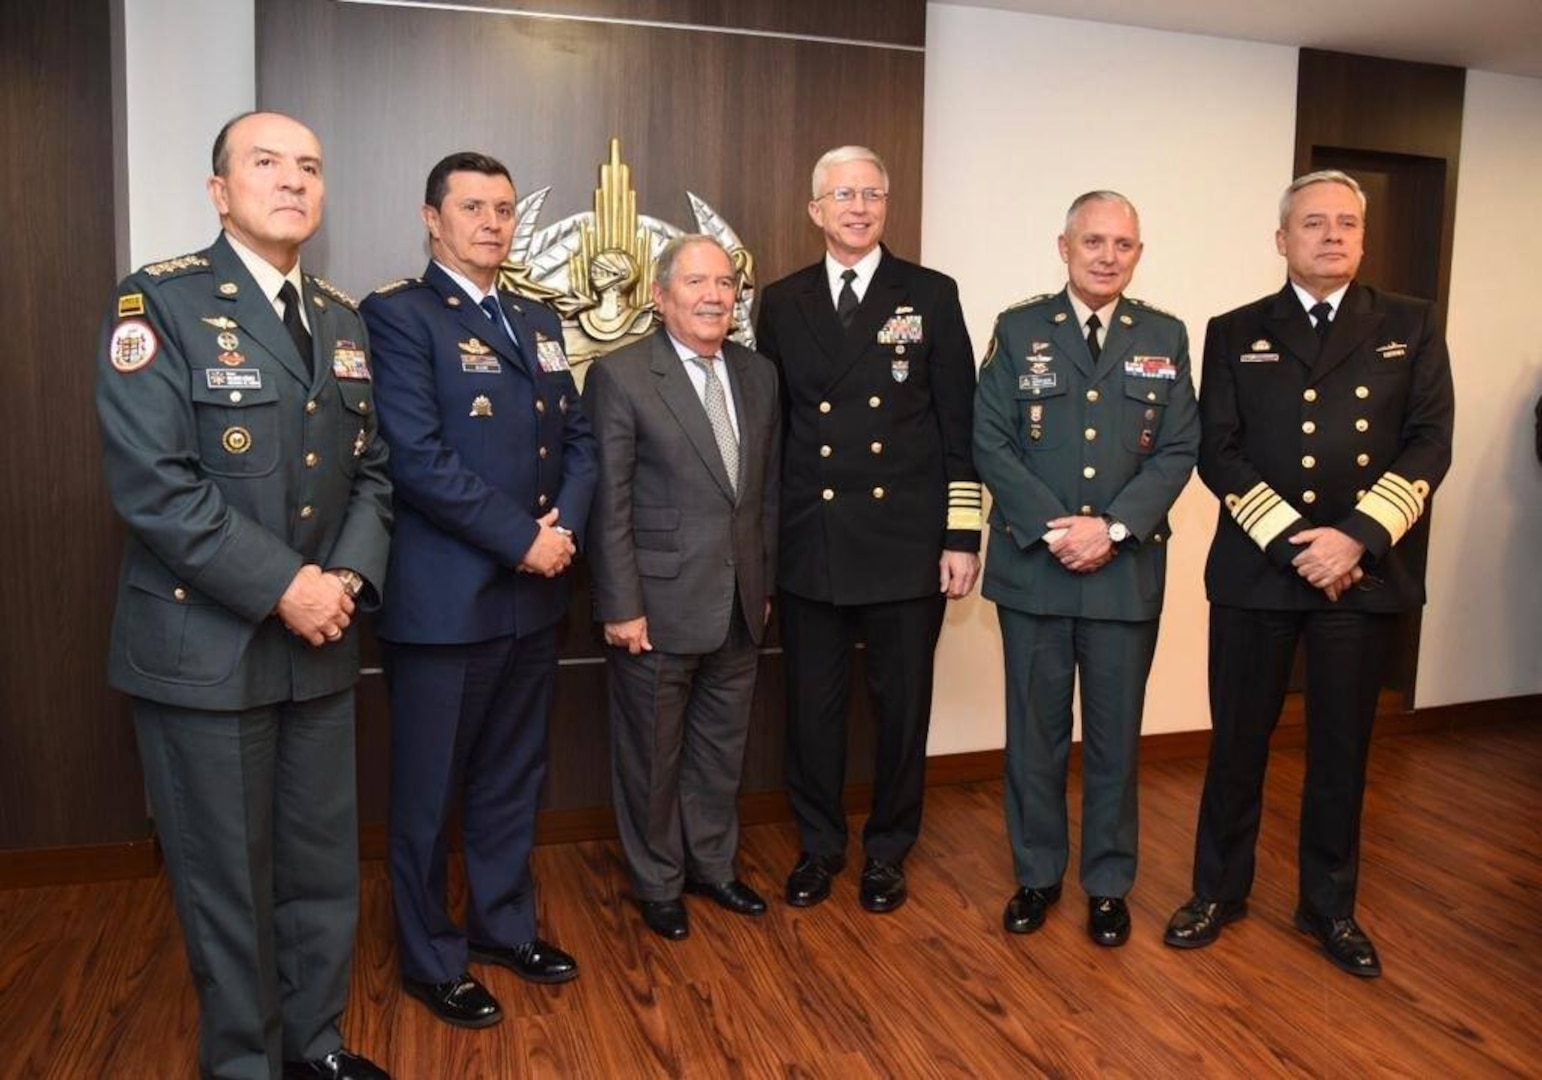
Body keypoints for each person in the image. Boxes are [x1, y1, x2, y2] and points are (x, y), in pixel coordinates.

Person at [95, 111, 392, 1080]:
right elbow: (155, 484)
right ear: (219, 191)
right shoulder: (159, 304)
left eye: (311, 164)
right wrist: (286, 588)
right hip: (208, 653)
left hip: (321, 647)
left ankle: (314, 1047)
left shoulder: (342, 318)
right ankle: (245, 1066)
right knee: (228, 888)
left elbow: (373, 473)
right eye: (266, 163)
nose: (294, 180)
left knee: (317, 875)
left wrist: (341, 580)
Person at [1165, 169, 1454, 977]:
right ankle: (1218, 891)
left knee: (1341, 750)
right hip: (1263, 570)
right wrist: (1302, 544)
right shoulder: (1235, 329)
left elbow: (1430, 440)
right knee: (1238, 744)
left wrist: (1355, 539)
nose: (1332, 235)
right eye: (1314, 223)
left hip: (1359, 575)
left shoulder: (1411, 324)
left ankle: (1329, 907)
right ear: (1282, 238)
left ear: (1363, 238)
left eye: (1346, 224)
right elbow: (1216, 450)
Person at [360, 152, 596, 1026]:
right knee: (426, 793)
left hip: (535, 595)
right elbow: (416, 459)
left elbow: (579, 443)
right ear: (433, 217)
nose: (492, 221)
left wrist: (559, 532)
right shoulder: (398, 315)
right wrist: (522, 541)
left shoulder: (538, 318)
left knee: (509, 779)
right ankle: (430, 958)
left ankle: (504, 926)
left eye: (503, 207)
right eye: (472, 207)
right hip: (445, 604)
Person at [755, 146, 981, 914]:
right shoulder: (780, 303)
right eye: (842, 194)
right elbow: (773, 432)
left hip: (905, 543)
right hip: (811, 540)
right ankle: (819, 846)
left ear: (888, 206)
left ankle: (889, 848)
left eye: (872, 194)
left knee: (902, 708)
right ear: (815, 210)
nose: (858, 206)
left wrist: (962, 538)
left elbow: (960, 427)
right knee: (810, 712)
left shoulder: (931, 293)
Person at [974, 192, 1199, 946]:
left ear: (1139, 253)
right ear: (1062, 245)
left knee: (1115, 740)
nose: (1108, 255)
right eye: (1093, 241)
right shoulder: (1018, 328)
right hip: (1036, 571)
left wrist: (1114, 528)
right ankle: (1036, 875)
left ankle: (1108, 884)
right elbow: (990, 441)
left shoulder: (1164, 333)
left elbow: (1178, 449)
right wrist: (1056, 528)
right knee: (1034, 735)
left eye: (1124, 244)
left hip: (1122, 572)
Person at [584, 234, 781, 941]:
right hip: (657, 606)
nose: (713, 295)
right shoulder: (622, 376)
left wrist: (763, 581)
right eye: (696, 282)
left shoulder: (760, 376)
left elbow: (764, 494)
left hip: (739, 602)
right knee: (651, 754)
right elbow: (610, 502)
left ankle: (713, 866)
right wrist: (621, 605)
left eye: (726, 283)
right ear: (662, 295)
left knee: (720, 748)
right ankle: (658, 880)